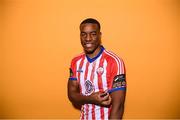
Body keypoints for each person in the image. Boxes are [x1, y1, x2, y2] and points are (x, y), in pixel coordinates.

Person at [68, 18, 126, 120]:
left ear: (100, 35)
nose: (88, 38)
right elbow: (72, 95)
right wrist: (91, 99)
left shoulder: (114, 61)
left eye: (93, 34)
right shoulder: (76, 61)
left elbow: (118, 106)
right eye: (83, 34)